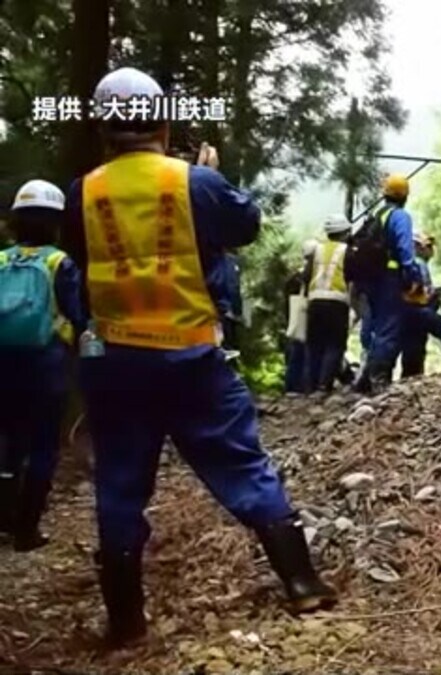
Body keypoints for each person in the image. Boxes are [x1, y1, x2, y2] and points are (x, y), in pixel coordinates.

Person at [62, 67, 336, 648]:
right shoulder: (194, 182)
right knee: (240, 464)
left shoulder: (81, 191)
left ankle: (127, 622)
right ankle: (303, 582)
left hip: (115, 362)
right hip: (190, 356)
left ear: (104, 130)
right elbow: (246, 225)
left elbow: (79, 264)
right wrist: (208, 177)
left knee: (119, 484)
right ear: (161, 120)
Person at [0, 180, 86, 552]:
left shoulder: (1, 260)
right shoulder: (58, 262)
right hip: (46, 364)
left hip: (3, 361)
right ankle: (26, 529)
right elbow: (78, 315)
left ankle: (2, 518)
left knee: (7, 441)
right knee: (43, 446)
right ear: (56, 222)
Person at [355, 173, 419, 393]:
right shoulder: (400, 216)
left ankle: (365, 377)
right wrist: (412, 276)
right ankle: (379, 378)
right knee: (388, 328)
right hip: (389, 279)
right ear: (405, 196)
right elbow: (405, 250)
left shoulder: (377, 215)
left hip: (369, 279)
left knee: (374, 328)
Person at [398, 231, 441, 376]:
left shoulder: (406, 263)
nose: (431, 251)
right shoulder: (418, 263)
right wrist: (436, 295)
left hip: (405, 312)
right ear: (418, 247)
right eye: (428, 246)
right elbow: (421, 291)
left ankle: (410, 375)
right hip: (418, 309)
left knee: (413, 343)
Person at [302, 216, 352, 393]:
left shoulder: (317, 249)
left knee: (314, 344)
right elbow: (352, 276)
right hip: (337, 301)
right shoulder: (348, 250)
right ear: (346, 232)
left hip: (315, 301)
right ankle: (324, 386)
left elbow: (306, 275)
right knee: (335, 344)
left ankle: (310, 386)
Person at [282, 247, 313, 396]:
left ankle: (292, 386)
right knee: (307, 350)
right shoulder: (310, 276)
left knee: (295, 350)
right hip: (307, 317)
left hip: (294, 318)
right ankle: (305, 385)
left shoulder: (293, 278)